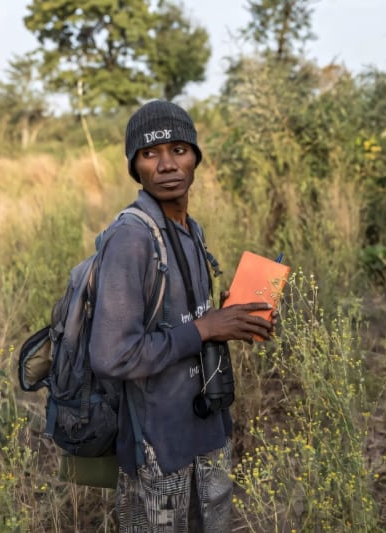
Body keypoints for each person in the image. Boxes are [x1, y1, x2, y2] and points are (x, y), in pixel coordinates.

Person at [89, 100, 276, 532]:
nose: (167, 164)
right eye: (150, 154)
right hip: (158, 443)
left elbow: (182, 319)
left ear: (196, 157)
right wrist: (206, 328)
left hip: (208, 427)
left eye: (179, 149)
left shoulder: (191, 228)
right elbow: (112, 355)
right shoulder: (131, 239)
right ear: (135, 166)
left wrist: (227, 318)